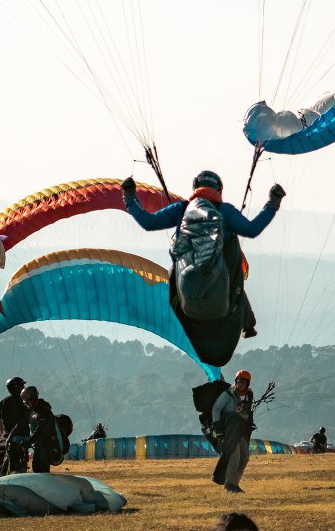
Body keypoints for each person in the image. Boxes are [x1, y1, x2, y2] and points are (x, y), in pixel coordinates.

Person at [122, 172, 285, 340]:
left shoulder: (181, 209)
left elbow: (149, 222)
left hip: (186, 278)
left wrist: (129, 198)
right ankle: (248, 324)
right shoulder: (225, 211)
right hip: (223, 276)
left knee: (174, 271)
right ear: (219, 190)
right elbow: (252, 229)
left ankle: (170, 315)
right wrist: (273, 203)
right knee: (235, 273)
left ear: (195, 188)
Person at [211, 369, 255, 493]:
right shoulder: (228, 394)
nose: (240, 383)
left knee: (244, 457)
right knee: (234, 456)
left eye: (243, 382)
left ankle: (235, 484)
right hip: (228, 430)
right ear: (235, 381)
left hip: (242, 430)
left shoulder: (249, 395)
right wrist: (217, 429)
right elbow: (216, 409)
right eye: (238, 381)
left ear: (247, 384)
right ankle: (229, 485)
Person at [20, 386, 59, 473]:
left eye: (27, 403)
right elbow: (21, 424)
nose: (26, 405)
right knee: (36, 468)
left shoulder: (44, 411)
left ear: (32, 399)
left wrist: (27, 441)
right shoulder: (32, 411)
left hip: (46, 446)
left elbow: (39, 430)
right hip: (38, 445)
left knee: (42, 471)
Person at [0, 377, 30, 474]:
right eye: (22, 386)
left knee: (10, 460)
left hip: (8, 438)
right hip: (22, 436)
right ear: (17, 388)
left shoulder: (4, 401)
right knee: (21, 463)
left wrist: (2, 435)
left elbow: (0, 421)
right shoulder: (25, 401)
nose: (24, 387)